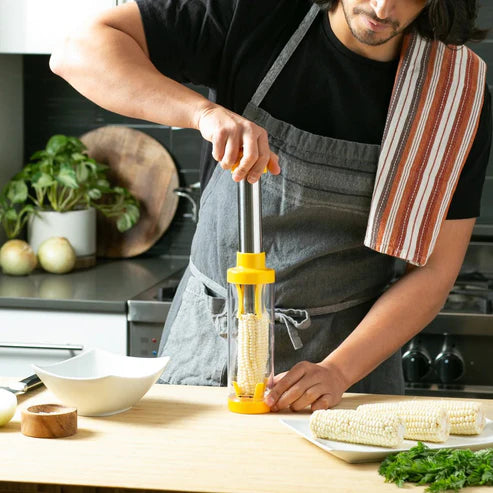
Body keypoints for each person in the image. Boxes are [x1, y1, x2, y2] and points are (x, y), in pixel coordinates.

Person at [50, 0, 491, 412]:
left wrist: (338, 371)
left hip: (349, 367)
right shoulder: (256, 13)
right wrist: (203, 113)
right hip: (210, 347)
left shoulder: (453, 94)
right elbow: (77, 50)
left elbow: (434, 270)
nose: (382, 8)